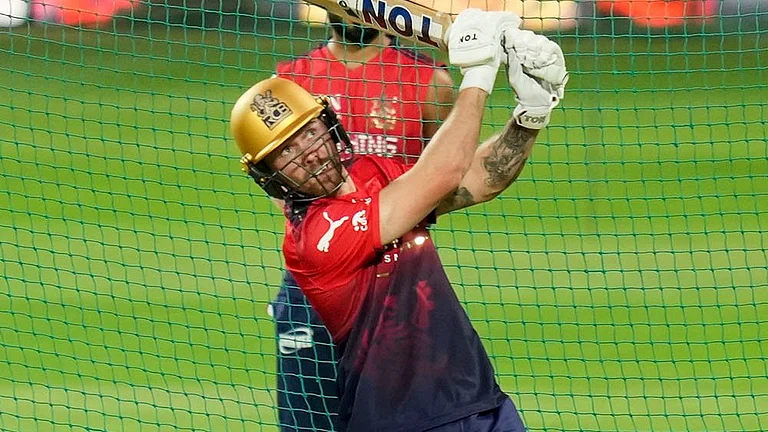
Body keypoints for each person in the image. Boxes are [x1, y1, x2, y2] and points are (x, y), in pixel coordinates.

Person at [230, 8, 567, 432]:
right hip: (404, 422)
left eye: (309, 133)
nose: (309, 154)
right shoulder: (316, 240)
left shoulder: (370, 172)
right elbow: (441, 172)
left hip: (478, 402)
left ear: (328, 124)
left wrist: (531, 112)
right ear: (270, 177)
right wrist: (480, 72)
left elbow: (475, 180)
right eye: (286, 153)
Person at [271, 13, 454, 431]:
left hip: (400, 285)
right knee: (310, 424)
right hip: (318, 283)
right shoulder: (289, 82)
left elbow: (442, 175)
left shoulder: (429, 81)